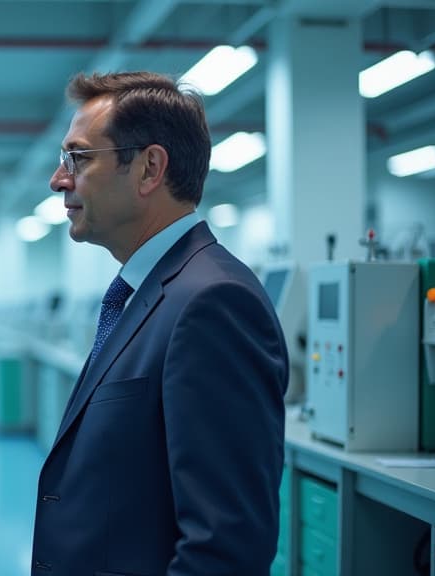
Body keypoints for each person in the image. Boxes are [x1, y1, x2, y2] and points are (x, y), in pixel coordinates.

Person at [31, 71, 287, 575]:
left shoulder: (214, 303)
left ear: (149, 168)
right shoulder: (146, 293)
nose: (59, 179)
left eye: (77, 158)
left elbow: (224, 546)